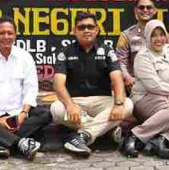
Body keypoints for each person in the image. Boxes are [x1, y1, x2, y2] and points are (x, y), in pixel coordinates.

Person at [51, 11, 133, 156]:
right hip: (75, 102)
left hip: (102, 101)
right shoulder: (66, 51)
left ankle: (84, 135)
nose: (86, 30)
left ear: (96, 30)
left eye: (90, 26)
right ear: (74, 31)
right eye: (81, 27)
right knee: (56, 109)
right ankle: (105, 129)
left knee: (127, 105)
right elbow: (58, 85)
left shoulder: (107, 51)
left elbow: (117, 79)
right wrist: (70, 106)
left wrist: (119, 104)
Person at [0, 17, 50, 160]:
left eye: (10, 33)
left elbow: (31, 89)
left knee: (45, 114)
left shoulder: (24, 57)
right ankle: (20, 142)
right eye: (2, 33)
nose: (6, 37)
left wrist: (22, 114)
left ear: (15, 35)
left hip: (19, 113)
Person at [123, 19, 169, 159]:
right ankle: (134, 136)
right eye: (154, 35)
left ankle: (162, 140)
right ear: (147, 37)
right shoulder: (143, 56)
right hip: (146, 99)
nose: (158, 39)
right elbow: (154, 85)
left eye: (161, 34)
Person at [116, 0, 163, 91]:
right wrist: (127, 77)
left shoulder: (163, 34)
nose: (145, 10)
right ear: (135, 10)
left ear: (154, 10)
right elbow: (120, 62)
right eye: (141, 7)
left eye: (149, 7)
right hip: (137, 84)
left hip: (161, 82)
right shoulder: (126, 35)